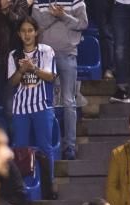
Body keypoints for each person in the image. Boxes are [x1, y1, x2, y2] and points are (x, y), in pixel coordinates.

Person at [31, 0, 87, 161]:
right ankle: (51, 145)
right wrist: (55, 16)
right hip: (44, 57)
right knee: (48, 102)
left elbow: (83, 24)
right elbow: (36, 27)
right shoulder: (38, 2)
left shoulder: (76, 1)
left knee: (69, 101)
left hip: (68, 54)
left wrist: (63, 15)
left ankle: (70, 146)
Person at [7, 16, 57, 178]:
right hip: (20, 108)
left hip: (42, 106)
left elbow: (51, 76)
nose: (27, 34)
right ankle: (23, 188)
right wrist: (21, 71)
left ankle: (48, 186)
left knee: (45, 148)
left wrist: (33, 68)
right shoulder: (13, 55)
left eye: (30, 30)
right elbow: (12, 82)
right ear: (19, 34)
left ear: (36, 32)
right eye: (23, 31)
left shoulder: (46, 51)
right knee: (20, 149)